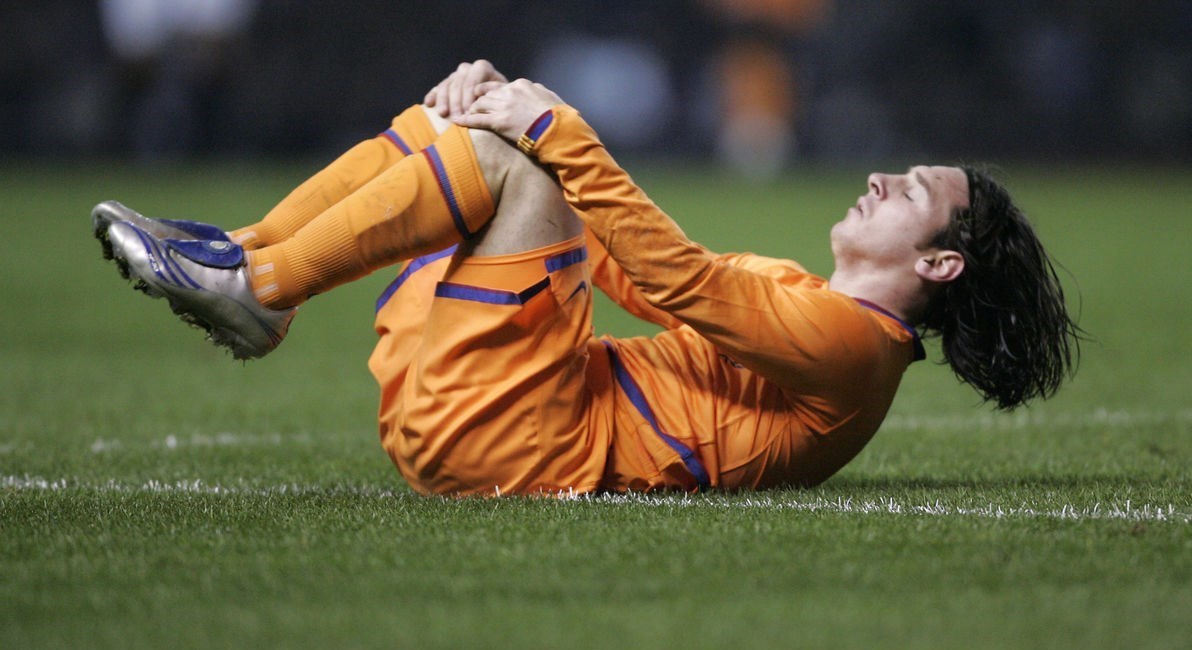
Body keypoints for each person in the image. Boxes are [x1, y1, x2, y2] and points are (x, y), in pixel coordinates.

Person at [92, 60, 1080, 496]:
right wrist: (518, 118)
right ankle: (245, 259)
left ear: (939, 262)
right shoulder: (809, 299)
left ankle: (263, 288)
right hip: (492, 411)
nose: (879, 179)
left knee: (513, 155)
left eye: (909, 188)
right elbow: (632, 267)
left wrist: (551, 135)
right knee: (456, 125)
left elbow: (675, 278)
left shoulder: (856, 349)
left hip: (517, 440)